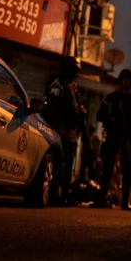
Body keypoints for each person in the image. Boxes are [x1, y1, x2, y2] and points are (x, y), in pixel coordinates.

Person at [92, 69, 131, 211]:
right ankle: (102, 197)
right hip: (112, 135)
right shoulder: (112, 98)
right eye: (124, 79)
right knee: (107, 169)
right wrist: (110, 120)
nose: (126, 82)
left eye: (129, 79)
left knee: (127, 171)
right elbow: (100, 115)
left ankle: (125, 201)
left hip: (128, 138)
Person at [42, 56, 85, 205]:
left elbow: (75, 110)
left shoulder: (72, 86)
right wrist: (58, 129)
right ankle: (54, 195)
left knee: (67, 165)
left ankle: (64, 195)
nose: (75, 73)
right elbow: (53, 108)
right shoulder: (57, 84)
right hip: (58, 132)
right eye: (73, 70)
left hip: (69, 133)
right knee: (58, 165)